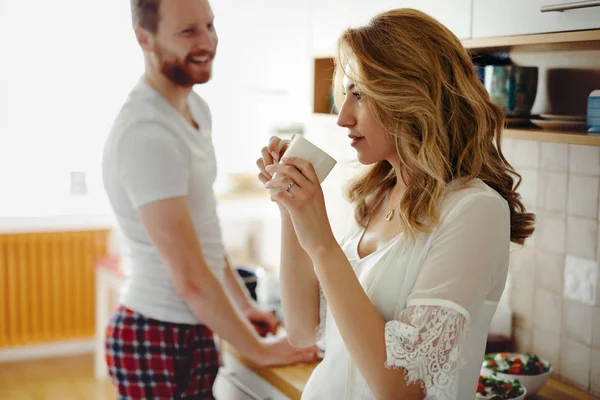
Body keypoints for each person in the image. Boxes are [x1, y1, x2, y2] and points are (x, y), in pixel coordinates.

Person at [256, 8, 535, 400]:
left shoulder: (475, 210)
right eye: (345, 94)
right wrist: (291, 207)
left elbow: (402, 388)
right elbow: (303, 330)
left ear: (413, 96)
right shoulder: (378, 194)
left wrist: (320, 241)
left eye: (361, 95)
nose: (343, 117)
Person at [102, 0, 318, 398]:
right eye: (188, 31)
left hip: (194, 326)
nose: (208, 41)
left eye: (210, 25)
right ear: (143, 39)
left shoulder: (194, 109)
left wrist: (243, 305)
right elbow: (189, 276)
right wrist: (260, 351)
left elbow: (205, 231)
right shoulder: (146, 133)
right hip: (153, 332)